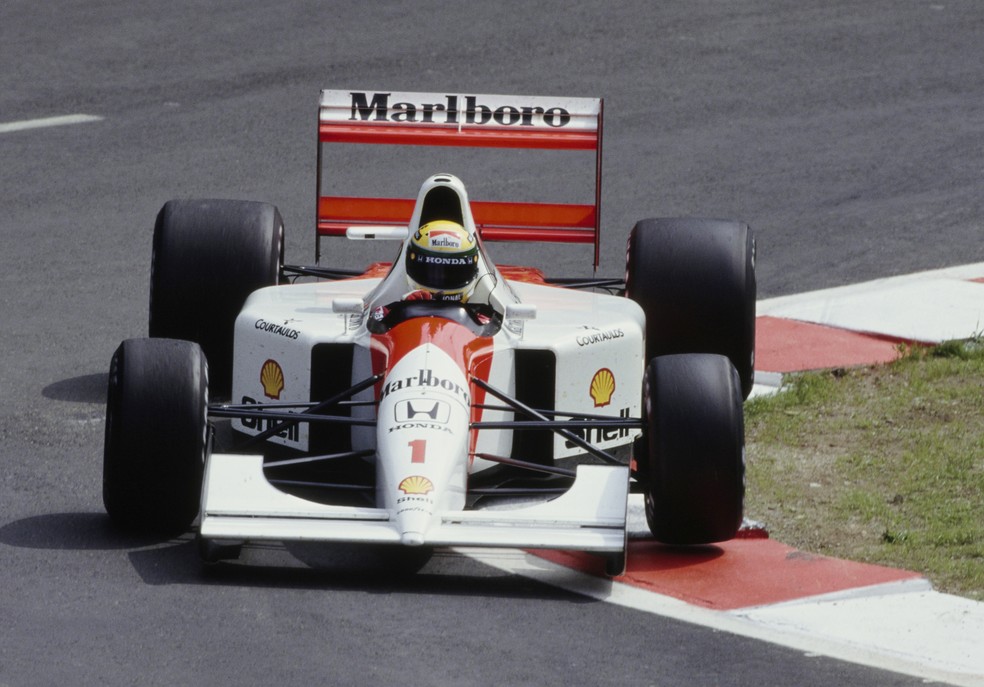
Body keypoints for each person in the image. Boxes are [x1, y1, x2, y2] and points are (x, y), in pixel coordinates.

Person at [404, 220, 479, 302]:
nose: (441, 291)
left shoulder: (485, 313)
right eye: (433, 273)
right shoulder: (394, 311)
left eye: (453, 274)